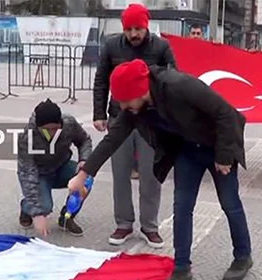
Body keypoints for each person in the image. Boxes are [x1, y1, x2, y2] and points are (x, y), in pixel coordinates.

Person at [68, 59, 253, 280]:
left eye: (126, 101)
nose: (124, 107)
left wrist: (224, 155)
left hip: (218, 146)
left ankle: (243, 256)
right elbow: (112, 140)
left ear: (139, 90)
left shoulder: (178, 85)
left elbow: (225, 113)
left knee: (229, 203)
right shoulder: (136, 110)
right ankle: (182, 267)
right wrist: (83, 175)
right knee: (182, 206)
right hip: (187, 150)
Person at [92, 3, 176, 248]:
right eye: (129, 29)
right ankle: (124, 224)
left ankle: (150, 226)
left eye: (138, 28)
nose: (133, 34)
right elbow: (101, 80)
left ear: (146, 26)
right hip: (120, 117)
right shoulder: (111, 46)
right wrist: (99, 113)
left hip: (152, 119)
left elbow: (173, 79)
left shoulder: (161, 47)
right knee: (120, 173)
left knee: (152, 174)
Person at [17, 98, 92, 237]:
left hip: (62, 166)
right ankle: (26, 207)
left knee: (87, 179)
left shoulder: (69, 123)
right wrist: (37, 213)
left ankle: (67, 217)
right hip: (40, 174)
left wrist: (84, 161)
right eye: (47, 130)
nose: (51, 133)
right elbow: (27, 173)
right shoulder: (27, 137)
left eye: (55, 129)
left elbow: (84, 140)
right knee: (44, 207)